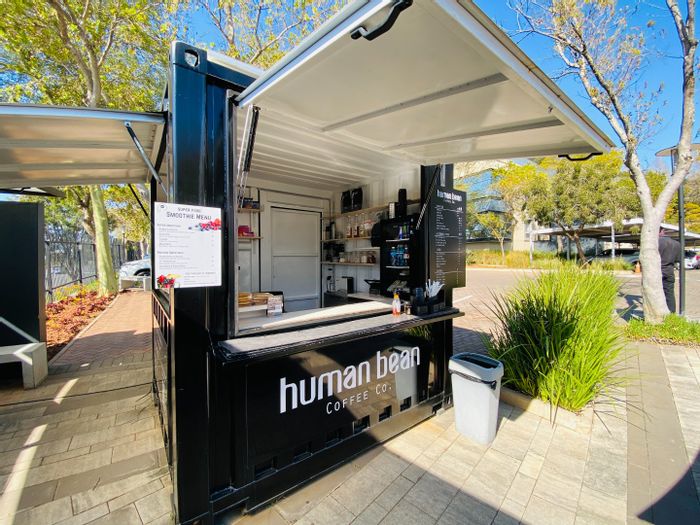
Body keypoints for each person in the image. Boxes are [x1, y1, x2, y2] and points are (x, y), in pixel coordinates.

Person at [658, 229, 682, 313]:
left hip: (657, 271)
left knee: (656, 293)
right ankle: (671, 313)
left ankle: (659, 312)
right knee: (669, 293)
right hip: (669, 271)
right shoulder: (676, 244)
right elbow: (678, 259)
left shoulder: (656, 242)